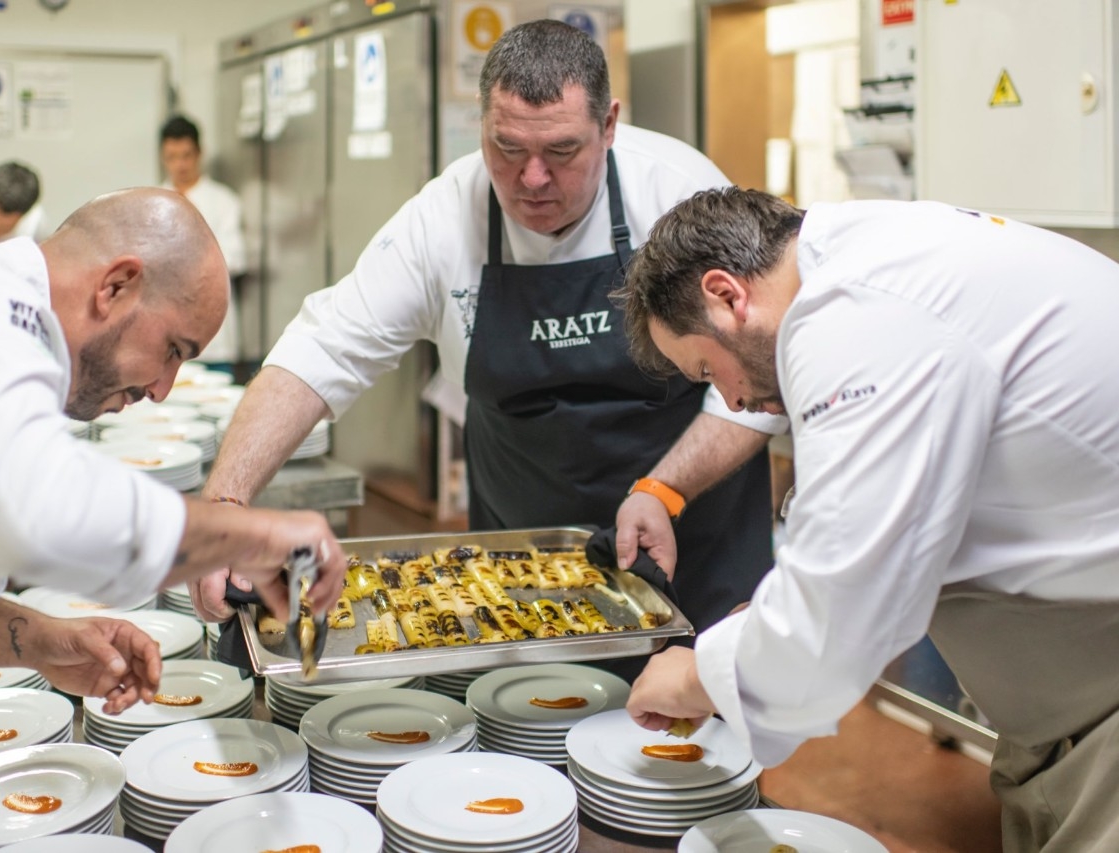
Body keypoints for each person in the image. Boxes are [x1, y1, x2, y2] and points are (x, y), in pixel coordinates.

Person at [190, 20, 787, 672]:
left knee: (705, 725)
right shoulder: (443, 218)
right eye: (507, 148)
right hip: (519, 563)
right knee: (526, 724)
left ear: (609, 124)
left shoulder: (676, 193)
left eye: (562, 151)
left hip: (690, 534)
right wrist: (223, 510)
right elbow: (323, 350)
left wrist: (665, 490)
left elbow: (760, 377)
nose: (532, 178)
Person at [617, 187, 1119, 851]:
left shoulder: (852, 312)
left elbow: (836, 615)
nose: (733, 400)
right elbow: (875, 535)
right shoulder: (869, 260)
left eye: (709, 368)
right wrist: (765, 617)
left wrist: (694, 676)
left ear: (726, 295)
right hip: (1062, 719)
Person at [0, 187, 348, 843]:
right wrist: (250, 533)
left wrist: (44, 641)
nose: (162, 389)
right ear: (115, 286)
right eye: (173, 349)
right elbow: (34, 513)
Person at [159, 114, 247, 366]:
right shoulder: (153, 201)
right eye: (172, 157)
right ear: (163, 158)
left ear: (199, 153)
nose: (180, 165)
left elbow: (235, 259)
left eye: (186, 155)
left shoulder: (224, 201)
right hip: (164, 340)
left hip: (215, 340)